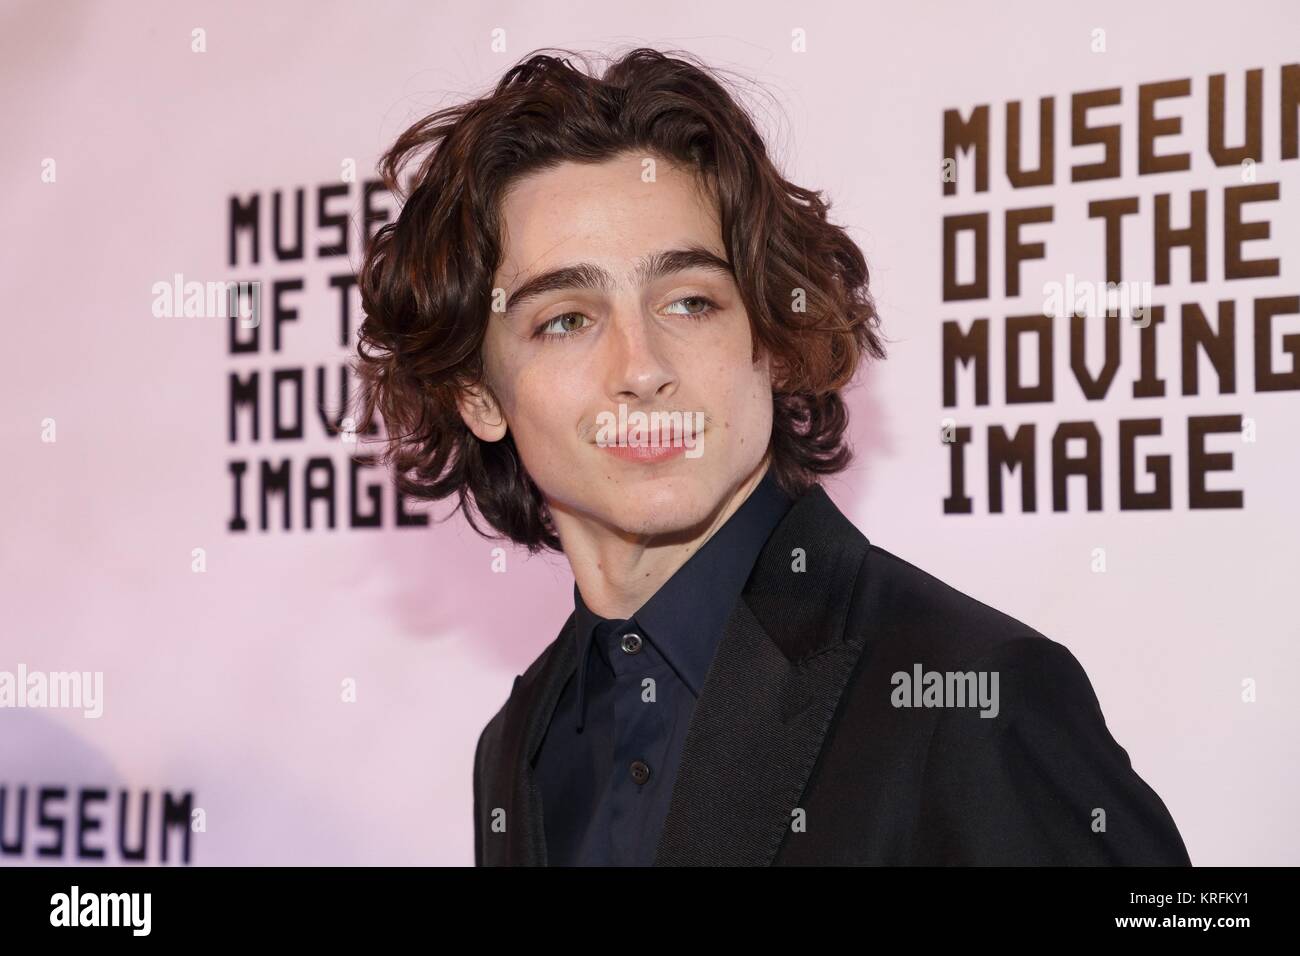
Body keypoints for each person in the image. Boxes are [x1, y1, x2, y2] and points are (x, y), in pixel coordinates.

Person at [352, 46, 1191, 866]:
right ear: (479, 397)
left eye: (689, 302)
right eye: (566, 319)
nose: (641, 369)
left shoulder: (971, 700)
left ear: (772, 340)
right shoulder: (519, 743)